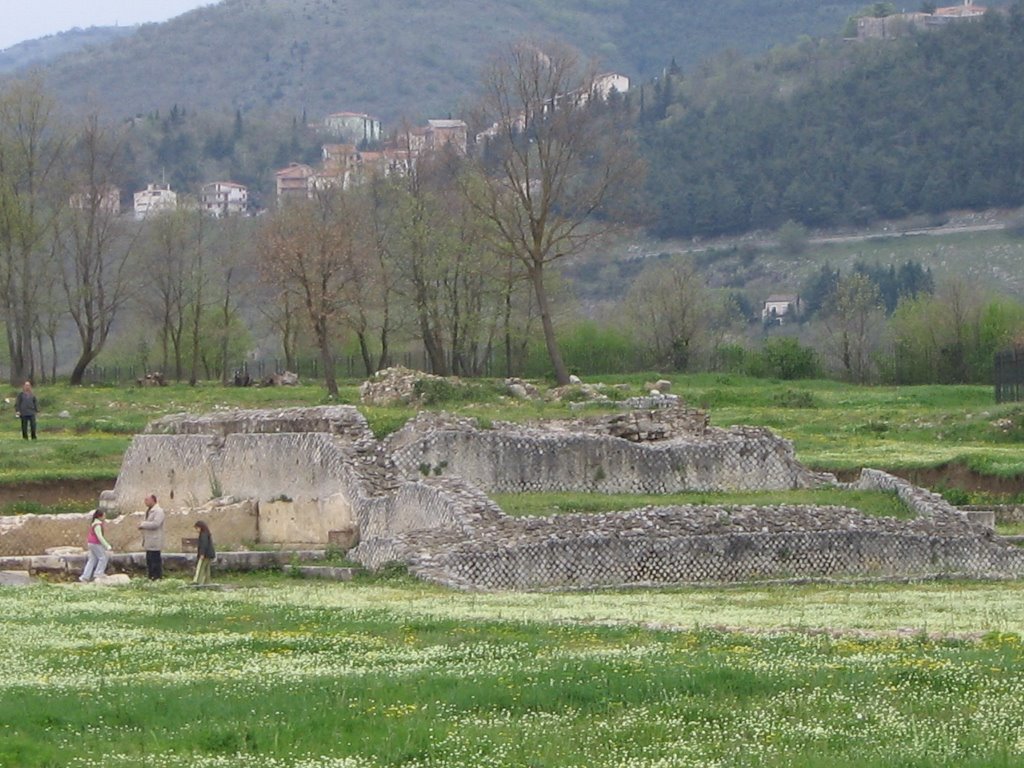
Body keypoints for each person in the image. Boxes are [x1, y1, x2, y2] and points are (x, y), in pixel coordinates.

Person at [79, 510, 113, 582]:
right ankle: (98, 574)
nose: (105, 517)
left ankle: (85, 577)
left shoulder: (94, 523)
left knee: (92, 560)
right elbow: (99, 536)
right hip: (95, 543)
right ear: (99, 516)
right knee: (103, 557)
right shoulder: (98, 525)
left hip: (91, 543)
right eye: (104, 516)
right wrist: (107, 545)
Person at [138, 494, 165, 580]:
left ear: (153, 500)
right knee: (149, 561)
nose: (145, 502)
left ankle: (157, 578)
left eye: (147, 500)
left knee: (155, 561)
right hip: (149, 540)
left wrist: (143, 524)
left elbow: (156, 524)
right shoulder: (149, 511)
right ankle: (151, 577)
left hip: (155, 540)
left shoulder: (158, 511)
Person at [192, 520, 215, 586]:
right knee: (207, 568)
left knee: (201, 567)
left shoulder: (203, 534)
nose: (196, 530)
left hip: (205, 554)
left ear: (200, 527)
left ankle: (198, 581)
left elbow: (203, 544)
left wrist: (202, 554)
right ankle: (207, 582)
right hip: (209, 554)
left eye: (197, 528)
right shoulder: (207, 533)